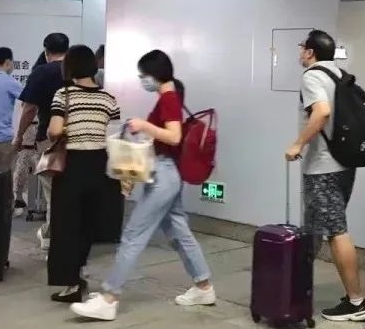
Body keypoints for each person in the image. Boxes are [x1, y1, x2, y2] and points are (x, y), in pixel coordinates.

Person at [71, 50, 217, 321]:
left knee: (133, 235)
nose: (142, 80)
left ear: (155, 73)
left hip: (163, 176)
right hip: (168, 174)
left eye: (143, 75)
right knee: (180, 233)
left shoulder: (169, 97)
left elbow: (174, 136)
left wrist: (144, 125)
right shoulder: (170, 95)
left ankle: (109, 298)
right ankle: (204, 286)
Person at [284, 30, 365, 322]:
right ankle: (297, 288)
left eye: (302, 47)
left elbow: (321, 113)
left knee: (336, 231)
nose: (300, 52)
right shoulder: (339, 74)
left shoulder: (312, 76)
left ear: (310, 52)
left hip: (324, 168)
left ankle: (357, 303)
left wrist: (298, 144)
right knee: (313, 229)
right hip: (344, 166)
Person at [45, 45, 122, 303]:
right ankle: (79, 271)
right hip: (101, 165)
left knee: (66, 224)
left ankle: (71, 284)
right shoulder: (108, 98)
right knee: (88, 224)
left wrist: (67, 129)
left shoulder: (64, 94)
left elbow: (55, 130)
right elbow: (114, 135)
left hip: (73, 165)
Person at [14, 32, 70, 251]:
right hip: (79, 138)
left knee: (53, 189)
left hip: (50, 138)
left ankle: (52, 236)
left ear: (46, 51)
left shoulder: (42, 72)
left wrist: (19, 136)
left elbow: (29, 109)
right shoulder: (77, 70)